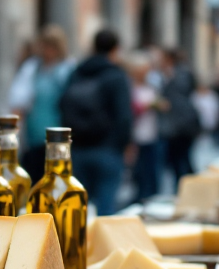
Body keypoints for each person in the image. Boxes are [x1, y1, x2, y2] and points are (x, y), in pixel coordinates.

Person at [59, 28, 132, 215]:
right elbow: (124, 116)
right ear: (115, 49)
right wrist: (121, 145)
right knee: (106, 208)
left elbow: (62, 105)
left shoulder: (76, 73)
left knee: (79, 209)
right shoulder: (116, 75)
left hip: (78, 149)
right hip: (107, 149)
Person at [16, 26, 74, 179]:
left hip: (59, 131)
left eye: (52, 46)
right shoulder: (32, 68)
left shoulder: (67, 69)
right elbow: (19, 100)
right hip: (35, 133)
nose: (48, 51)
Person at [157, 48, 200, 182]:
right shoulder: (180, 73)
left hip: (180, 126)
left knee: (181, 161)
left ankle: (187, 189)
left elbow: (177, 100)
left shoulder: (177, 75)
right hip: (181, 125)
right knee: (181, 161)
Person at [128, 53, 162, 203]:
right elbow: (129, 111)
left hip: (152, 134)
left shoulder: (151, 86)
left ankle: (150, 199)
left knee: (153, 173)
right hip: (137, 136)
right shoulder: (129, 88)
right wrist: (147, 106)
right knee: (139, 174)